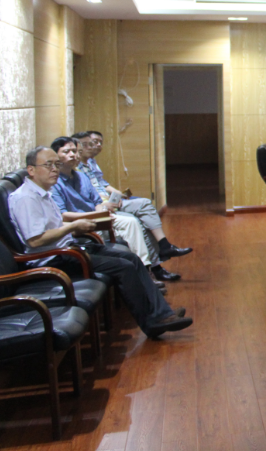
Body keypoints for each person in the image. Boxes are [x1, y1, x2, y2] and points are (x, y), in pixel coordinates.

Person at [9, 146, 192, 338]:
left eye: (56, 164)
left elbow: (52, 225)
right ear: (31, 170)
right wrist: (72, 227)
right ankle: (152, 323)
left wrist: (78, 227)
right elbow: (36, 240)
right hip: (53, 260)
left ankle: (162, 314)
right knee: (124, 267)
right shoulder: (26, 198)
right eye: (48, 165)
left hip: (67, 248)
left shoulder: (43, 192)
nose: (55, 169)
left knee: (131, 257)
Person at [48, 137, 172, 285]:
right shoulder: (54, 182)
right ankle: (144, 273)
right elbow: (63, 215)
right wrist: (96, 215)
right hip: (79, 223)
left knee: (132, 222)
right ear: (55, 156)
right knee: (131, 221)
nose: (72, 155)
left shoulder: (81, 176)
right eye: (66, 151)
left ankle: (146, 269)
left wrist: (102, 213)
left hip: (97, 217)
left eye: (74, 151)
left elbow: (97, 202)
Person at [74, 131, 191, 282]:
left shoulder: (90, 163)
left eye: (96, 143)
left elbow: (102, 184)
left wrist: (116, 194)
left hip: (106, 201)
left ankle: (161, 253)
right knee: (139, 219)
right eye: (87, 144)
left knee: (145, 206)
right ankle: (155, 265)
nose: (93, 146)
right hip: (100, 209)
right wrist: (105, 203)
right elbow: (88, 200)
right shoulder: (76, 172)